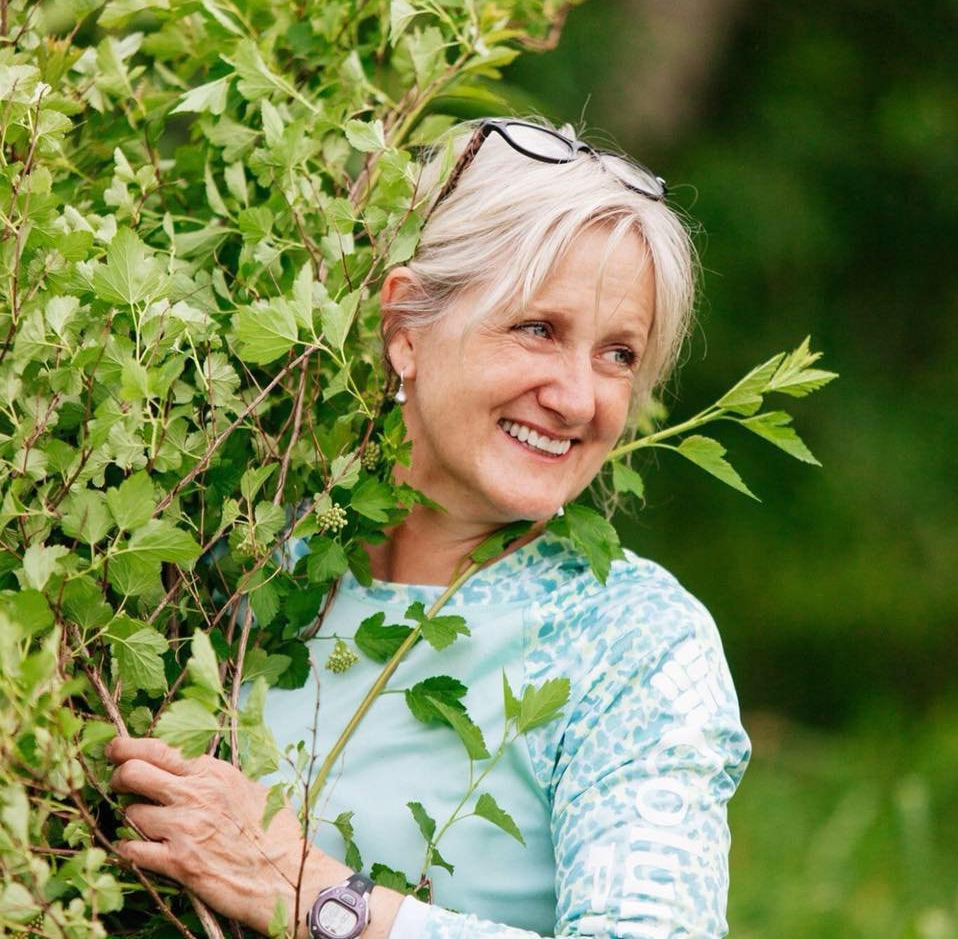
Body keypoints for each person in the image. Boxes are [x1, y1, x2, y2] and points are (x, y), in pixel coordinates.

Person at [106, 118, 750, 939]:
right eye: (538, 329)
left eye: (618, 354)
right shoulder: (246, 564)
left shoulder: (634, 642)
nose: (580, 397)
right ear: (406, 324)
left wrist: (306, 890)